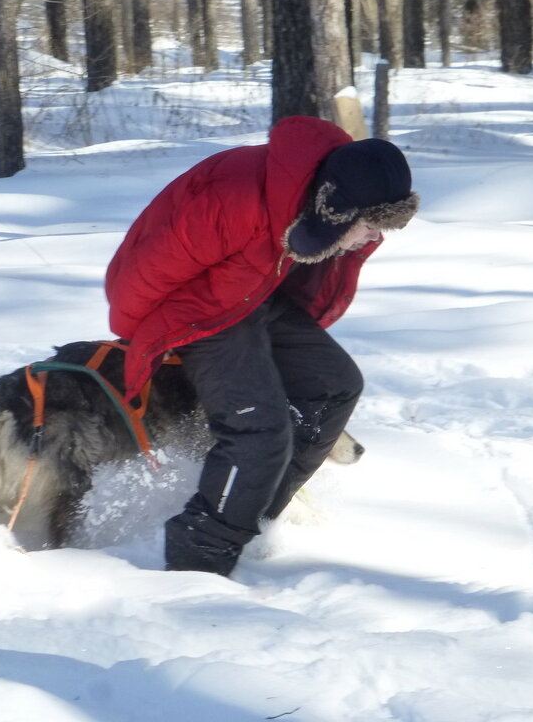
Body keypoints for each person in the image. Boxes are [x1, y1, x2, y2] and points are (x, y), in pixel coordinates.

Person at [105, 115, 419, 577]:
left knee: (335, 385)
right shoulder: (235, 203)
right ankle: (199, 563)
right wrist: (143, 341)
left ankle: (253, 514)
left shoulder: (316, 202)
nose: (375, 237)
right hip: (191, 307)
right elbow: (144, 273)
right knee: (259, 432)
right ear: (336, 209)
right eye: (372, 224)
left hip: (248, 296)